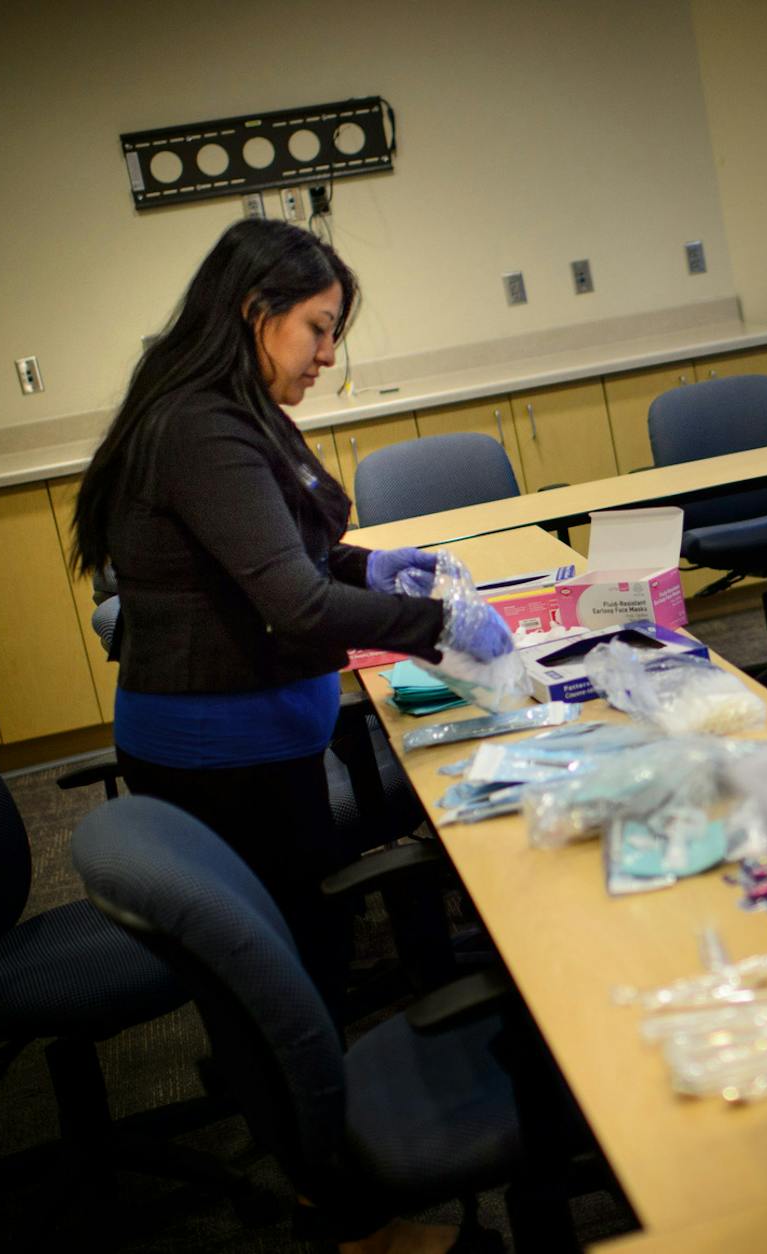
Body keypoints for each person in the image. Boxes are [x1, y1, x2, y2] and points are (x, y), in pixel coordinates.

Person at [70, 219, 510, 1016]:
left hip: (253, 737)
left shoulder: (234, 407)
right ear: (253, 311)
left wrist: (369, 566)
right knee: (292, 966)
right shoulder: (200, 427)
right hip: (222, 757)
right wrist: (439, 626)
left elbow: (281, 551)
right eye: (318, 327)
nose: (329, 354)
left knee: (308, 941)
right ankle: (320, 1111)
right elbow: (294, 600)